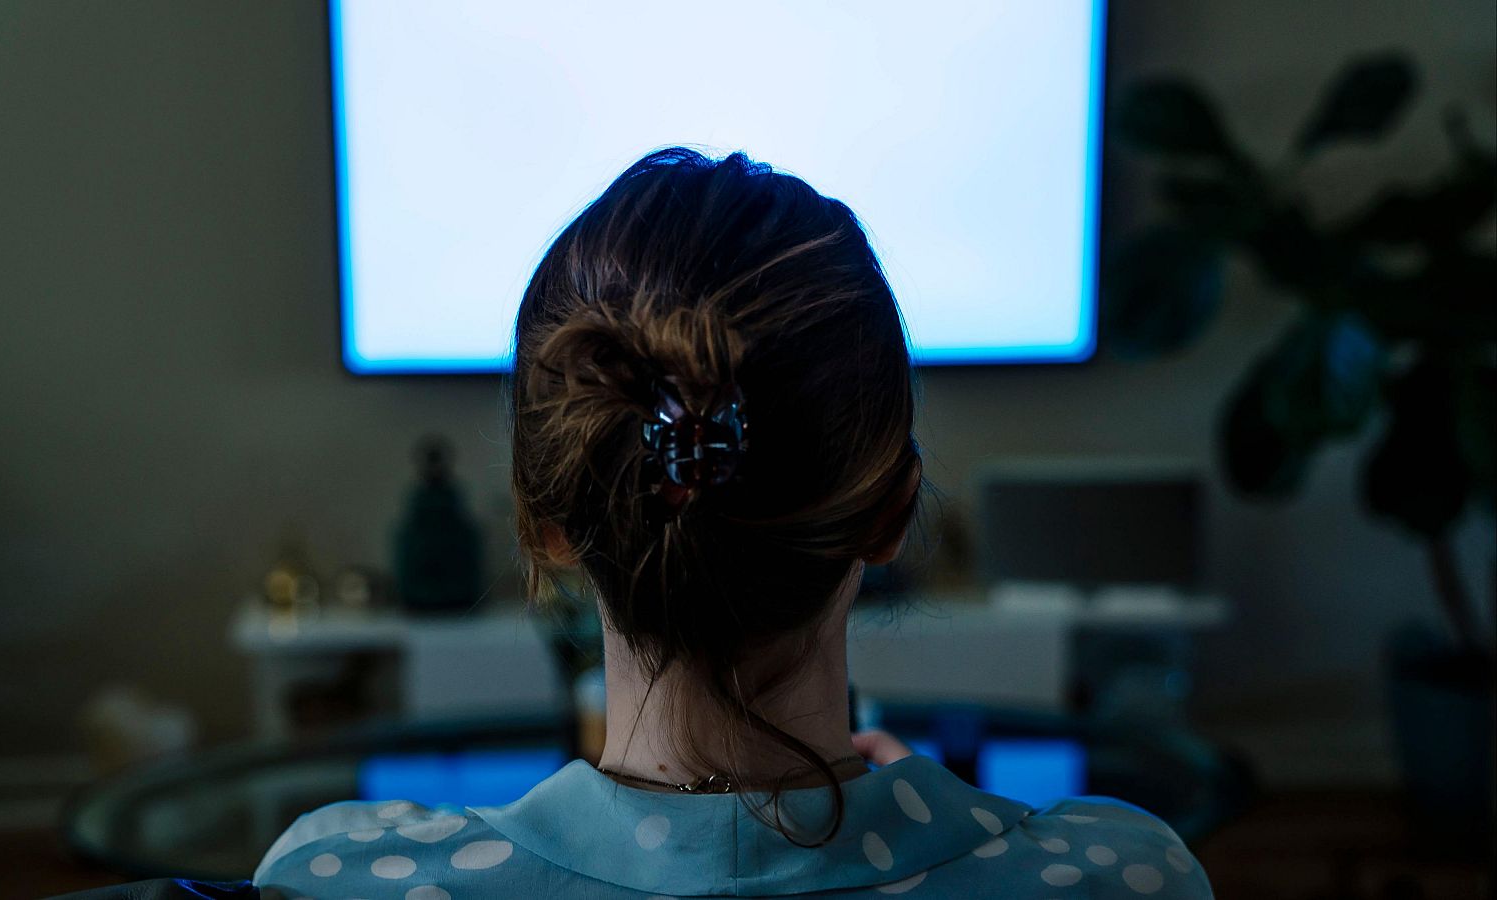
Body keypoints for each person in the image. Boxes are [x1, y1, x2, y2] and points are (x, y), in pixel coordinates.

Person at [253, 148, 1214, 898]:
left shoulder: (325, 882)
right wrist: (944, 819)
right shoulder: (1125, 878)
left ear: (543, 520)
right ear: (890, 510)